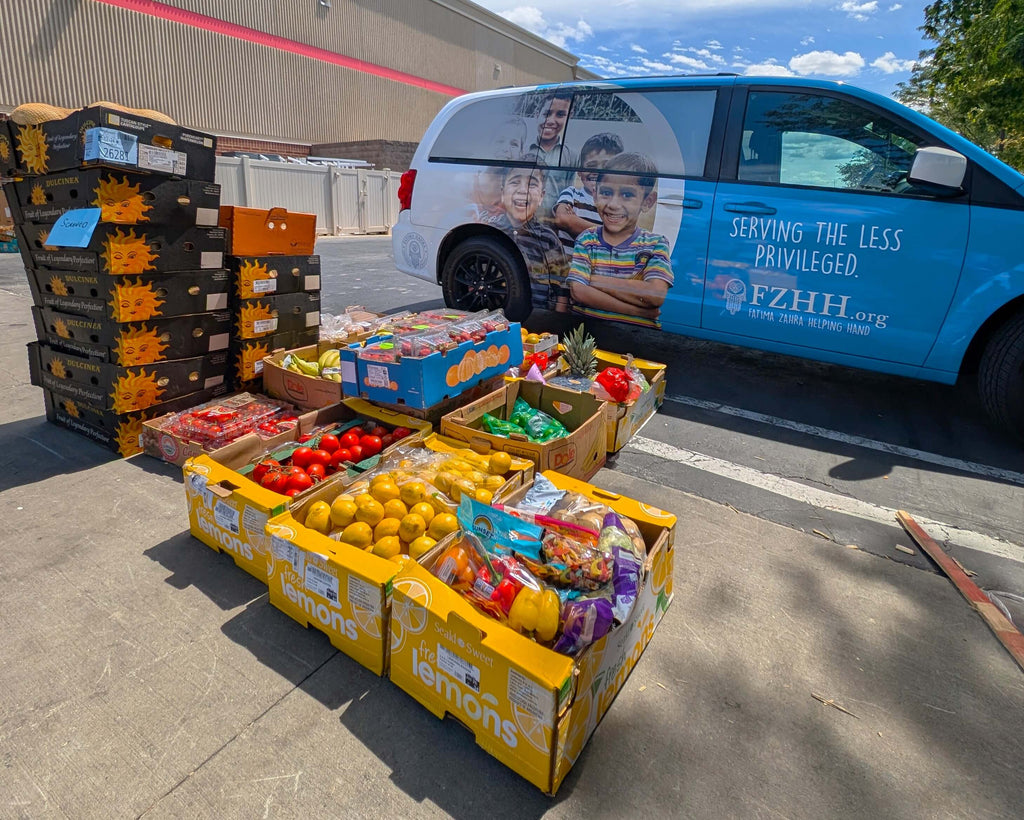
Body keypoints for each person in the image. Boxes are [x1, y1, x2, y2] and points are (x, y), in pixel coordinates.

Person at [567, 153, 674, 329]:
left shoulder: (656, 244)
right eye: (606, 193)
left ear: (647, 202)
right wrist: (640, 312)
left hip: (638, 338)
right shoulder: (587, 240)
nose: (614, 204)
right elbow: (578, 292)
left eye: (627, 195)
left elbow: (655, 294)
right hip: (589, 334)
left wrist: (593, 280)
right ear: (595, 195)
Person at [483, 154, 566, 309]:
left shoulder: (548, 239)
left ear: (542, 196)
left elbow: (561, 287)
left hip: (539, 317)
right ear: (502, 192)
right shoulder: (490, 232)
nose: (523, 190)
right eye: (515, 182)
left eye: (532, 184)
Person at [528, 91, 577, 223]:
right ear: (537, 114)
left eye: (560, 114)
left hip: (552, 227)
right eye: (546, 114)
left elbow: (569, 194)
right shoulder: (524, 150)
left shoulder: (571, 156)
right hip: (523, 224)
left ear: (569, 116)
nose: (551, 121)